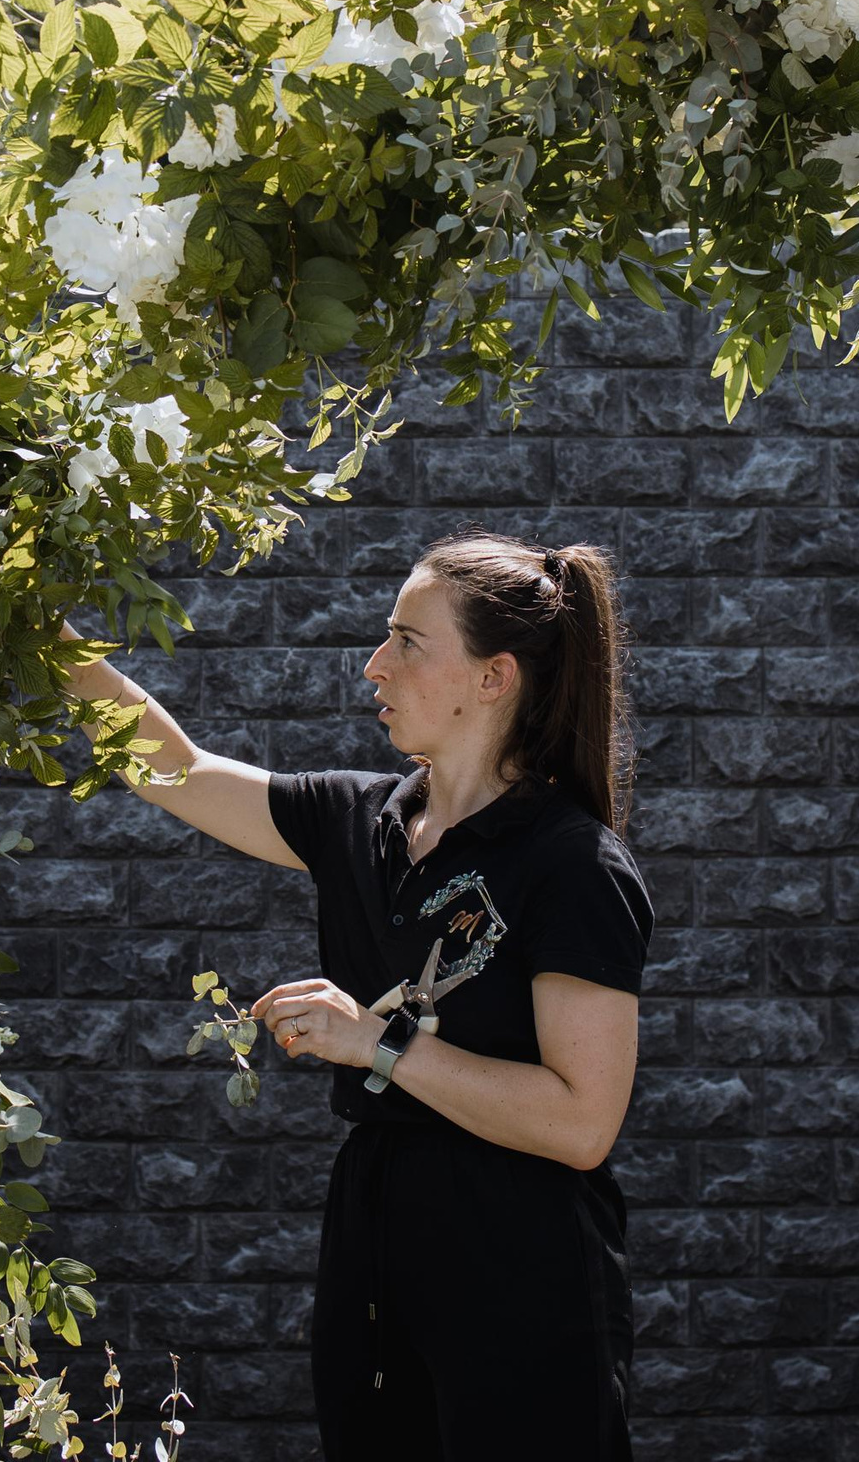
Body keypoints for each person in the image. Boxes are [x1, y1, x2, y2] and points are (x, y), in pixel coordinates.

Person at [58, 530, 654, 1461]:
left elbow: (583, 1121)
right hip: (374, 1241)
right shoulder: (358, 821)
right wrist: (49, 646)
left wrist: (374, 1042)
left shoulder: (570, 864)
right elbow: (174, 768)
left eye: (408, 642)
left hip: (521, 1264)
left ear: (494, 678)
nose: (374, 663)